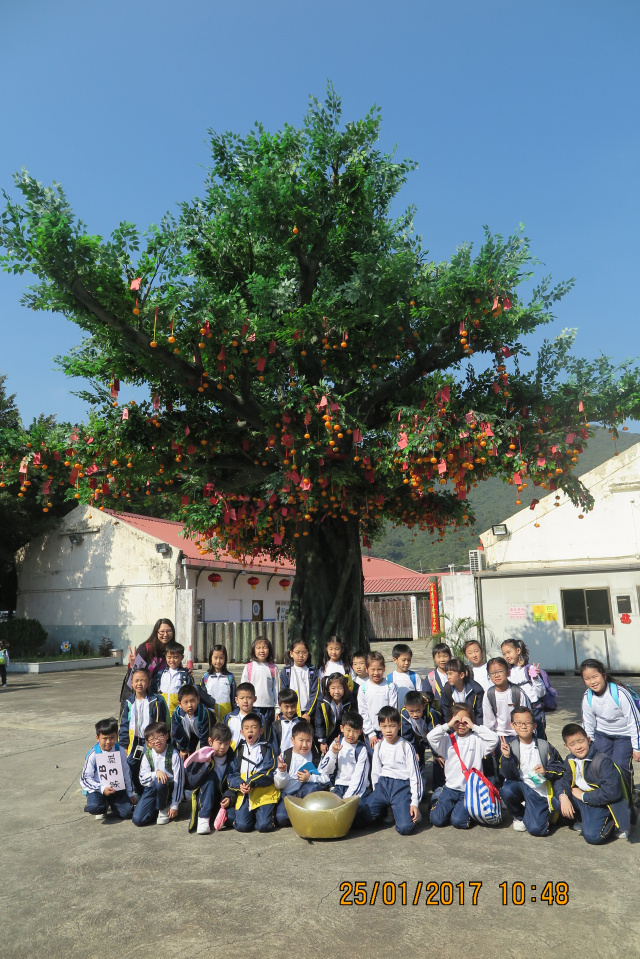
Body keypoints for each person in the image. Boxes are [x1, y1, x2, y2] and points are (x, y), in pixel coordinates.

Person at [553, 723, 631, 843]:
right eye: (572, 744)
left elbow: (612, 792)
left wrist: (584, 796)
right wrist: (563, 796)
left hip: (602, 803)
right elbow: (563, 780)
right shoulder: (570, 759)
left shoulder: (602, 761)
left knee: (593, 837)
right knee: (557, 800)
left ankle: (615, 823)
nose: (578, 747)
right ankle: (584, 820)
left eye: (581, 741)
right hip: (584, 800)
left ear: (588, 740)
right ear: (567, 747)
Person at [427, 703, 499, 829]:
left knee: (459, 822)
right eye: (457, 721)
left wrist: (474, 727)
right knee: (437, 820)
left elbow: (494, 739)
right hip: (450, 788)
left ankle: (459, 810)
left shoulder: (477, 739)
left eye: (465, 721)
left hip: (469, 791)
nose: (461, 725)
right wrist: (448, 725)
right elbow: (430, 737)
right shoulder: (447, 739)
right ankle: (437, 797)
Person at [580, 658, 640, 800]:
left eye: (595, 676)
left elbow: (635, 721)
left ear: (604, 675)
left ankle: (626, 799)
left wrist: (637, 747)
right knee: (601, 765)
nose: (592, 682)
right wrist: (588, 746)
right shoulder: (587, 697)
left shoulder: (620, 694)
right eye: (587, 679)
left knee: (620, 766)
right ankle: (608, 798)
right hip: (602, 735)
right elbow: (588, 725)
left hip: (624, 736)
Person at [499, 705, 564, 836]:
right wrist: (507, 757)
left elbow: (561, 768)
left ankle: (535, 812)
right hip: (522, 788)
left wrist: (546, 771)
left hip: (540, 793)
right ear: (512, 725)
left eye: (527, 723)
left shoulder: (545, 746)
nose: (523, 726)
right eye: (518, 723)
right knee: (506, 789)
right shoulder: (511, 747)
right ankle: (519, 815)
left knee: (537, 830)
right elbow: (508, 775)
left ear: (534, 725)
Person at [359, 706, 422, 835]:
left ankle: (405, 810)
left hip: (401, 787)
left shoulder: (406, 746)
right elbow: (375, 773)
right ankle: (387, 808)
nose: (388, 730)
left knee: (405, 827)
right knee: (362, 817)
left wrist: (415, 802)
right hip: (383, 785)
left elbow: (415, 776)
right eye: (384, 726)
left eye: (392, 726)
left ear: (399, 725)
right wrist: (377, 793)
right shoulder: (379, 746)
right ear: (379, 727)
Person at [118, 666, 168, 793]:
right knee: (131, 765)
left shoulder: (156, 701)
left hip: (150, 740)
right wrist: (123, 744)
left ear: (149, 682)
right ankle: (138, 791)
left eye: (143, 680)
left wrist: (158, 740)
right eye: (136, 680)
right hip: (135, 741)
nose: (139, 683)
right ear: (131, 683)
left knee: (150, 764)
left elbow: (161, 722)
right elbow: (124, 725)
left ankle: (152, 792)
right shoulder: (129, 702)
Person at [228, 713, 279, 833]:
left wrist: (251, 781)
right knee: (242, 826)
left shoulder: (267, 748)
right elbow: (232, 773)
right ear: (242, 732)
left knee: (264, 826)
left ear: (261, 730)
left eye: (254, 727)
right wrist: (240, 784)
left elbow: (269, 770)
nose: (250, 730)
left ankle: (266, 815)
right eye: (246, 728)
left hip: (263, 793)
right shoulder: (238, 750)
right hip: (245, 794)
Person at [80, 717, 136, 821]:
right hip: (98, 789)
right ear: (98, 738)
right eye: (105, 738)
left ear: (117, 736)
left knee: (128, 812)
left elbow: (126, 772)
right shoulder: (93, 754)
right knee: (95, 807)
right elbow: (85, 778)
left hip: (117, 788)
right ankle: (102, 804)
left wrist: (129, 793)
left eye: (112, 738)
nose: (108, 742)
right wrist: (102, 789)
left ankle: (114, 804)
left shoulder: (120, 751)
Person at [186, 723, 236, 834]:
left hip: (221, 799)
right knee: (210, 779)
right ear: (210, 741)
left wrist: (229, 797)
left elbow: (233, 780)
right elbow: (192, 782)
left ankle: (214, 817)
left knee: (233, 818)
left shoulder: (232, 757)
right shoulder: (202, 755)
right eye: (219, 743)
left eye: (226, 743)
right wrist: (205, 765)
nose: (222, 747)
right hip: (205, 798)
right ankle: (203, 818)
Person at [132, 721, 185, 826]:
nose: (157, 741)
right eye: (152, 739)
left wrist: (175, 805)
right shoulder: (147, 755)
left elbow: (179, 781)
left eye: (160, 736)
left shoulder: (174, 754)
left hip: (168, 788)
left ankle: (163, 807)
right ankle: (156, 807)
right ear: (148, 742)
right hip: (151, 789)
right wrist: (156, 773)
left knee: (160, 782)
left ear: (166, 736)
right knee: (138, 820)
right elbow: (142, 779)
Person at [274, 720, 325, 826]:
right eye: (301, 740)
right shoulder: (285, 756)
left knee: (313, 787)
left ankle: (308, 816)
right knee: (281, 818)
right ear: (292, 740)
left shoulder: (315, 757)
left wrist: (310, 778)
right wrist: (282, 772)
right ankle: (299, 816)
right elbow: (278, 785)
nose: (305, 745)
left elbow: (324, 778)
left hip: (305, 795)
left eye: (308, 741)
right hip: (288, 795)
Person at [501, 639, 548, 739]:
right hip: (517, 711)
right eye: (504, 654)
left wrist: (535, 678)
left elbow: (541, 693)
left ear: (518, 650)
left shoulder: (530, 669)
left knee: (539, 738)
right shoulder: (509, 672)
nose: (507, 656)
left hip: (534, 710)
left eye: (509, 652)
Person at [317, 712, 371, 801]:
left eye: (355, 731)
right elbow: (325, 770)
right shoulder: (337, 743)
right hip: (339, 786)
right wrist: (333, 753)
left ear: (360, 732)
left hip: (357, 789)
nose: (351, 735)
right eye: (348, 730)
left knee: (357, 808)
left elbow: (359, 777)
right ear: (342, 728)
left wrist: (347, 799)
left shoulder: (361, 750)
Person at [120, 618, 175, 703]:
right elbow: (134, 674)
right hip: (141, 693)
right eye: (162, 631)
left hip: (162, 695)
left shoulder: (173, 650)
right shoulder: (146, 648)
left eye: (169, 631)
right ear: (156, 632)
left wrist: (186, 672)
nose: (165, 634)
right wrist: (133, 664)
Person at [358, 651, 398, 749]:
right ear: (366, 669)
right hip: (370, 732)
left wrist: (387, 731)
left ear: (384, 668)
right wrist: (370, 733)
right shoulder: (363, 688)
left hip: (388, 731)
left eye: (379, 669)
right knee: (373, 757)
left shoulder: (390, 686)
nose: (376, 673)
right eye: (373, 669)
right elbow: (363, 712)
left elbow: (392, 709)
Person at [240, 637, 278, 731]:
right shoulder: (249, 667)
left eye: (264, 647)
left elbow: (276, 689)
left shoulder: (273, 668)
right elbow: (243, 689)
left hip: (269, 707)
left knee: (267, 732)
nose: (262, 650)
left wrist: (277, 709)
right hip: (253, 706)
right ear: (254, 650)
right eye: (258, 648)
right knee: (253, 730)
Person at [278, 638, 321, 720]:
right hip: (291, 711)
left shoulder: (312, 670)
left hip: (308, 713)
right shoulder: (286, 671)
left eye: (304, 652)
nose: (301, 655)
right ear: (291, 653)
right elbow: (283, 692)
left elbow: (315, 693)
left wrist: (308, 713)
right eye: (297, 652)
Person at [315, 673, 356, 753]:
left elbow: (352, 719)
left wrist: (344, 735)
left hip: (344, 730)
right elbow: (319, 722)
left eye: (340, 688)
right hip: (328, 731)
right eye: (333, 688)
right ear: (328, 689)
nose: (336, 691)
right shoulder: (322, 701)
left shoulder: (350, 700)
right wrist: (322, 741)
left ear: (344, 688)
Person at [151, 642, 193, 718]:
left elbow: (190, 693)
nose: (172, 660)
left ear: (182, 657)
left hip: (178, 713)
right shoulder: (160, 674)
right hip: (161, 712)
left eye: (176, 657)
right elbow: (153, 690)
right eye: (169, 657)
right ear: (165, 657)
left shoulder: (185, 675)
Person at [399, 689, 439, 768]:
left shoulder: (430, 712)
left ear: (424, 706)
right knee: (417, 760)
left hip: (430, 735)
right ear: (405, 708)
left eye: (418, 711)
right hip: (416, 737)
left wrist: (436, 754)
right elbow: (407, 735)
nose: (415, 715)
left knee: (439, 761)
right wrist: (413, 751)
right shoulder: (404, 714)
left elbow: (434, 735)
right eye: (411, 711)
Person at [171, 684, 212, 759]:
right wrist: (183, 748)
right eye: (186, 702)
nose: (190, 705)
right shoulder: (177, 714)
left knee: (205, 755)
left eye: (192, 701)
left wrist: (203, 752)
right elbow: (177, 733)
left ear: (198, 700)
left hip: (202, 732)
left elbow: (205, 734)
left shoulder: (203, 713)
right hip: (187, 733)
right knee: (184, 754)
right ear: (179, 704)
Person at [439, 658, 484, 725]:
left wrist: (477, 728)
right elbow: (445, 713)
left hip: (471, 725)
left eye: (450, 674)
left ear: (461, 675)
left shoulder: (476, 690)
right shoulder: (446, 690)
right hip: (454, 726)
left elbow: (479, 713)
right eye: (447, 674)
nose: (448, 677)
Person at [198, 645, 236, 722]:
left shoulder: (230, 677)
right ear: (210, 658)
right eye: (215, 658)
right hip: (211, 713)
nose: (218, 661)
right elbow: (202, 697)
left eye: (221, 658)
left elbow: (234, 698)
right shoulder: (206, 677)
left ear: (225, 659)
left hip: (226, 713)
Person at [388, 643, 422, 709]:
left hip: (412, 713)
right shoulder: (389, 678)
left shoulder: (415, 677)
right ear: (395, 660)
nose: (406, 663)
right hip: (395, 713)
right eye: (403, 660)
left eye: (409, 660)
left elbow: (420, 696)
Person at [225, 682, 258, 748]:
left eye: (249, 698)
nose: (245, 701)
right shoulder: (229, 718)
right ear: (236, 700)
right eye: (242, 698)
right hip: (233, 752)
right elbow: (224, 737)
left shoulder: (259, 718)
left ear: (254, 699)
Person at [271, 689, 300, 754]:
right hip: (283, 758)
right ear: (280, 705)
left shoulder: (302, 722)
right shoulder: (276, 726)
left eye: (293, 706)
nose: (290, 710)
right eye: (286, 707)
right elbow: (274, 747)